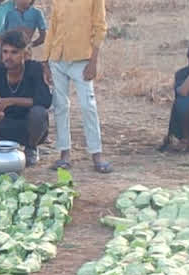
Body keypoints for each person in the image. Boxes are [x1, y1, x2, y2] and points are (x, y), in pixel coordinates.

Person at [43, 0, 111, 173]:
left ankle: (97, 155)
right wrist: (45, 61)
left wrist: (93, 61)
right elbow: (52, 28)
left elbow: (100, 27)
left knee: (88, 105)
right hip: (57, 58)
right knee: (60, 106)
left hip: (82, 59)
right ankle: (64, 154)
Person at [0, 30, 51, 166]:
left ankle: (31, 148)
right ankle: (6, 147)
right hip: (6, 122)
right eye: (5, 52)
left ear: (24, 54)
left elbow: (45, 101)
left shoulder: (34, 69)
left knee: (38, 113)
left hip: (30, 125)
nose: (8, 57)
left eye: (14, 52)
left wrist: (11, 100)